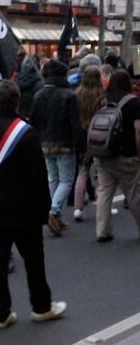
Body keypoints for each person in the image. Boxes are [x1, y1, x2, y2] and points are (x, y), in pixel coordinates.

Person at [0, 81, 66, 329]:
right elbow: (38, 175)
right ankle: (41, 307)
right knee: (34, 260)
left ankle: (1, 313)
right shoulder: (26, 131)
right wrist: (45, 209)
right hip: (25, 208)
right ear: (16, 100)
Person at [30, 60, 85, 235]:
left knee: (53, 179)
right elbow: (75, 124)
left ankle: (54, 213)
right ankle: (53, 211)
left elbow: (34, 120)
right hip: (65, 142)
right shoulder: (68, 95)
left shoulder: (38, 95)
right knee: (67, 180)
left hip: (44, 142)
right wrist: (80, 145)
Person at [94, 70, 140, 242]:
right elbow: (138, 130)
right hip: (126, 154)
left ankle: (102, 230)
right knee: (134, 193)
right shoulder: (134, 103)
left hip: (104, 152)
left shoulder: (103, 100)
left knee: (104, 192)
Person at [72, 66, 104, 223]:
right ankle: (101, 205)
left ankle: (78, 208)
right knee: (101, 172)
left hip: (81, 136)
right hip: (99, 135)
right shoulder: (101, 96)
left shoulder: (76, 94)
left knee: (83, 171)